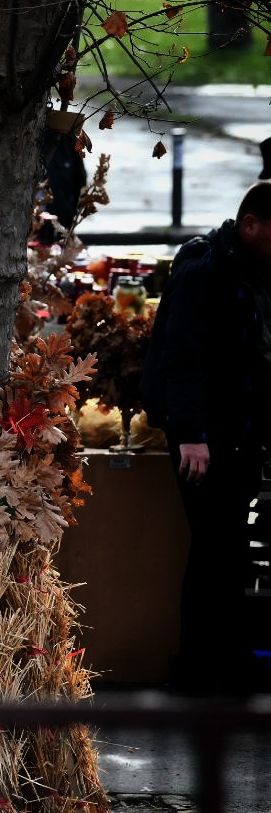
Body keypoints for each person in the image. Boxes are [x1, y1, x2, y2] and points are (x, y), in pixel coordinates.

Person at [142, 182, 271, 695]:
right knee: (216, 547)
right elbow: (183, 358)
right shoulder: (206, 272)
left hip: (237, 434)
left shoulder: (255, 271)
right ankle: (202, 669)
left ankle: (225, 663)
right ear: (251, 225)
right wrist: (192, 435)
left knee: (227, 546)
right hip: (205, 439)